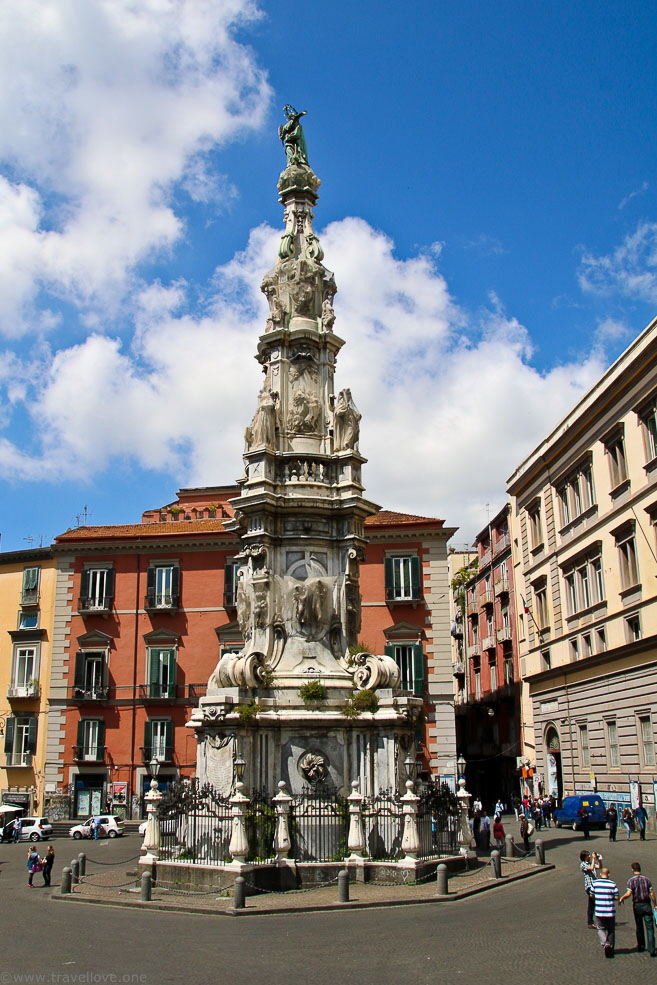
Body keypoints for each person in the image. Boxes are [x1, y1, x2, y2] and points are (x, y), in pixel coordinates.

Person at [619, 862, 657, 956]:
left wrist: (622, 898)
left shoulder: (631, 881)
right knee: (650, 927)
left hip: (637, 905)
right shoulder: (647, 880)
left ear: (633, 870)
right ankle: (652, 949)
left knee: (639, 927)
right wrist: (655, 904)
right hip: (646, 904)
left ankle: (641, 946)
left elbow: (629, 893)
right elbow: (651, 893)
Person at [590, 866, 619, 958]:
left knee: (601, 928)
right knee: (611, 930)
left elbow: (591, 895)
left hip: (599, 911)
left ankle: (605, 944)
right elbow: (617, 897)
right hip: (610, 911)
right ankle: (611, 947)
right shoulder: (612, 884)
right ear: (609, 874)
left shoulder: (595, 883)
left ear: (600, 874)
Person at [580, 849, 600, 928]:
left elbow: (599, 866)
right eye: (588, 855)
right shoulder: (583, 864)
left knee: (591, 905)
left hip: (595, 886)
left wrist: (599, 859)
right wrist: (594, 859)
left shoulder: (590, 863)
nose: (589, 856)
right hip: (589, 886)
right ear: (584, 857)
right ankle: (598, 921)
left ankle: (590, 922)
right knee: (597, 902)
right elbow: (591, 868)